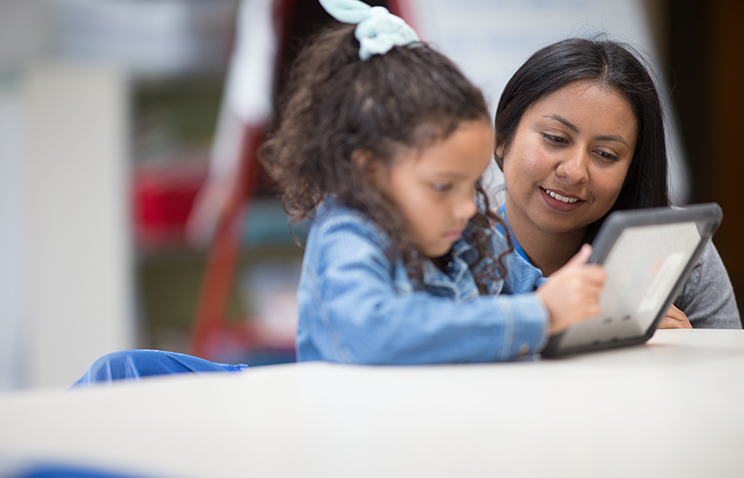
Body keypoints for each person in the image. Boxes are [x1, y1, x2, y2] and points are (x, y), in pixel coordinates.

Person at [255, 0, 607, 365]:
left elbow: (535, 292)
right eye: (443, 186)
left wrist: (597, 305)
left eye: (472, 184)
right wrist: (539, 315)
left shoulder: (471, 233)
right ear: (370, 172)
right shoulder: (349, 235)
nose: (468, 206)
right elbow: (375, 332)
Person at [491, 38, 741, 329]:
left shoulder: (676, 249)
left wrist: (686, 353)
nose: (574, 171)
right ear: (502, 137)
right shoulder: (448, 252)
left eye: (605, 154)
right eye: (556, 138)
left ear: (632, 169)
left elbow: (729, 373)